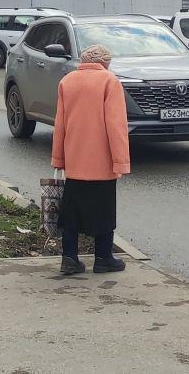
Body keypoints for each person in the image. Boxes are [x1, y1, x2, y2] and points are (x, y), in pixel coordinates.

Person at [50, 44, 130, 275]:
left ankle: (69, 258)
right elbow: (116, 125)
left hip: (74, 160)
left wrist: (58, 158)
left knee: (72, 211)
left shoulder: (67, 81)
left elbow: (60, 124)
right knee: (104, 209)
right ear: (105, 62)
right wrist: (120, 161)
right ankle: (103, 258)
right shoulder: (109, 81)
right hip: (102, 161)